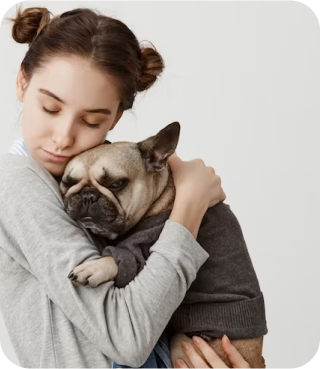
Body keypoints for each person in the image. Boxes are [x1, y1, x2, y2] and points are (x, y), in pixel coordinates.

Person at [0, 6, 263, 369]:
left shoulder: (116, 173)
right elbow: (129, 338)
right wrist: (190, 201)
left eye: (92, 121)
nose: (63, 138)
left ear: (116, 118)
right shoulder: (16, 183)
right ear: (21, 82)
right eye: (50, 107)